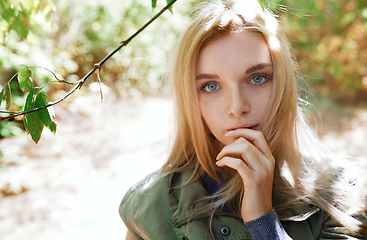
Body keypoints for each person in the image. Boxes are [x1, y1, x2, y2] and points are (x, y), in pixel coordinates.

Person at [119, 0, 367, 239]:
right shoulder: (146, 208)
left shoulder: (342, 193)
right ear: (190, 98)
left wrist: (264, 223)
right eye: (211, 86)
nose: (237, 108)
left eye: (257, 78)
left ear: (282, 84)